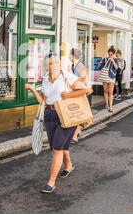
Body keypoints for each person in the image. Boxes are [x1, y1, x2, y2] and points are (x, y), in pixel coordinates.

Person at [25, 53, 88, 194]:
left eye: (56, 63)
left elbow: (84, 89)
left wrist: (68, 95)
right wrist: (32, 90)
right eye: (51, 64)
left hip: (65, 115)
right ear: (47, 66)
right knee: (57, 145)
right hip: (49, 114)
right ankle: (69, 165)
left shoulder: (66, 76)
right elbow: (43, 101)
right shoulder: (45, 79)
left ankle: (51, 182)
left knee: (57, 148)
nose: (54, 66)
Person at [69, 48, 87, 144]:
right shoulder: (72, 66)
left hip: (80, 93)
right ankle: (78, 130)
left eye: (70, 55)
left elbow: (83, 79)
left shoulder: (80, 66)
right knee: (75, 114)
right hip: (73, 93)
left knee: (78, 115)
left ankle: (75, 136)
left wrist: (72, 75)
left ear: (72, 56)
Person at [98, 46, 119, 112]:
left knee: (111, 92)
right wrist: (100, 63)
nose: (110, 55)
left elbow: (116, 68)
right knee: (105, 91)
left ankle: (110, 107)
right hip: (104, 76)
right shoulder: (105, 59)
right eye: (109, 54)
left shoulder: (115, 60)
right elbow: (100, 67)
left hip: (112, 77)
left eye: (111, 54)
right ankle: (106, 104)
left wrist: (113, 61)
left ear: (113, 54)